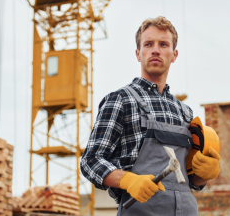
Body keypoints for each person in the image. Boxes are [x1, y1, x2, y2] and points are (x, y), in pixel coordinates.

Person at [80, 16, 220, 215]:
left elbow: (191, 181)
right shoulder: (120, 100)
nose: (156, 49)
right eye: (148, 44)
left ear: (174, 54)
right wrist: (128, 180)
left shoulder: (185, 112)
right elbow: (90, 161)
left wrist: (205, 175)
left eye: (163, 44)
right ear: (138, 54)